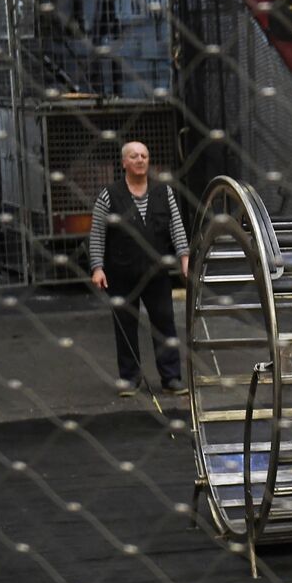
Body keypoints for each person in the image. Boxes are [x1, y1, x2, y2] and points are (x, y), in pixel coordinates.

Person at [88, 141, 190, 397]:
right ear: (124, 163)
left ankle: (171, 378)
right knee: (125, 325)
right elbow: (97, 234)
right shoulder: (109, 195)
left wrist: (185, 257)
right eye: (134, 156)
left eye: (144, 155)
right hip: (121, 272)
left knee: (164, 323)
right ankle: (130, 378)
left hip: (156, 272)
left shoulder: (163, 192)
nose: (140, 160)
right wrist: (97, 267)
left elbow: (176, 227)